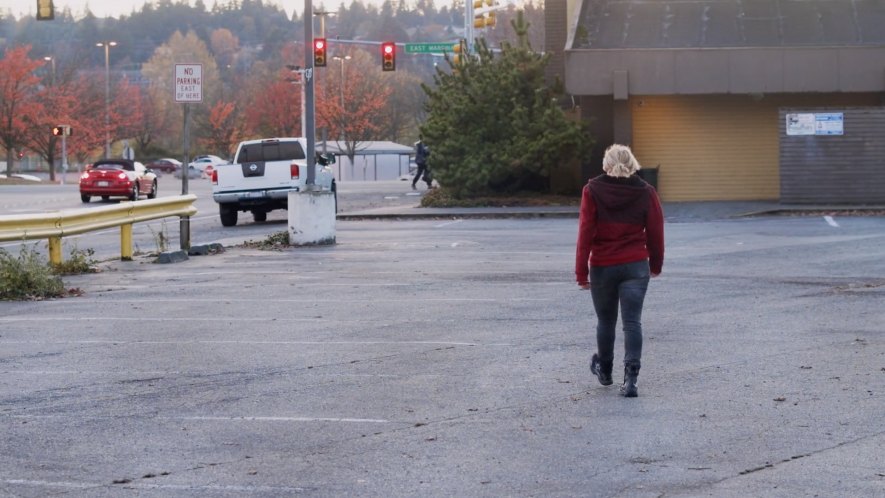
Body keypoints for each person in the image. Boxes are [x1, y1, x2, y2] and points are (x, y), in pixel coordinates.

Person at [575, 144, 664, 398]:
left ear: (606, 164)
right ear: (633, 162)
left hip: (603, 266)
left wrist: (581, 273)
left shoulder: (592, 190)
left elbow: (585, 233)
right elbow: (656, 232)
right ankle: (631, 380)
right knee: (632, 322)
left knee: (606, 321)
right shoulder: (646, 192)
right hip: (635, 265)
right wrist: (655, 264)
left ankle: (605, 372)